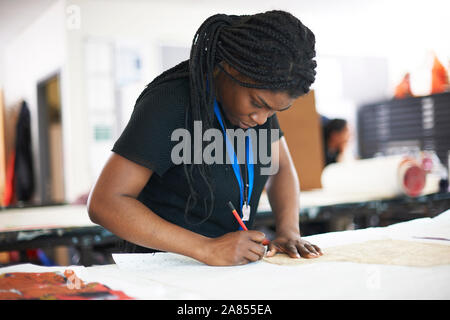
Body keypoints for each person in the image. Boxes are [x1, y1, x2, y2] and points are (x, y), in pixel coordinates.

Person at [87, 10, 323, 266]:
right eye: (258, 104)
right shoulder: (171, 101)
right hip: (164, 270)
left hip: (227, 267)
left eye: (274, 111)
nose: (262, 119)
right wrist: (205, 248)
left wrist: (288, 231)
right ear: (232, 68)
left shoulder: (255, 111)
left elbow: (281, 169)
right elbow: (105, 202)